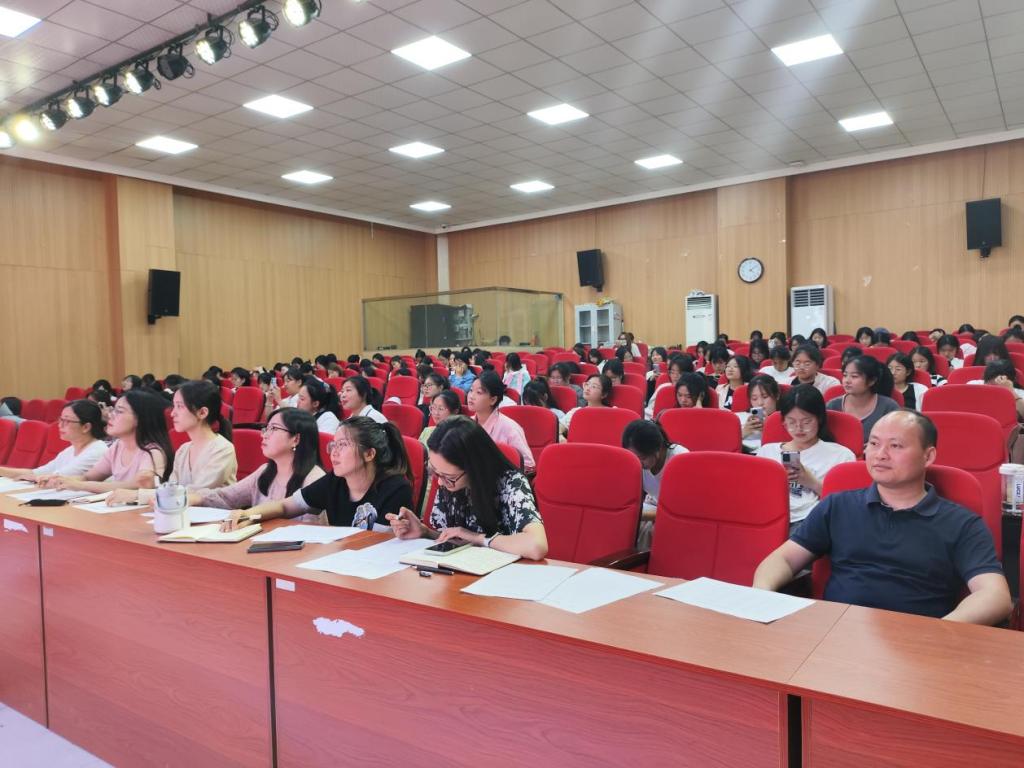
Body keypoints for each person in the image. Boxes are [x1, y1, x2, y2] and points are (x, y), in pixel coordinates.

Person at [753, 411, 1012, 625]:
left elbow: (994, 595)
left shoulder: (961, 523)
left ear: (928, 456)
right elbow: (783, 559)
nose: (880, 454)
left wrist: (941, 632)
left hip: (916, 645)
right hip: (836, 636)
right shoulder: (838, 506)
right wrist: (762, 598)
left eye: (895, 446)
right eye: (874, 444)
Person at [388, 416, 547, 560]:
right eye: (435, 472)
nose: (441, 483)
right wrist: (424, 532)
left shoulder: (511, 483)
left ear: (474, 468)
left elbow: (536, 546)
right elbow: (458, 538)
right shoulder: (448, 479)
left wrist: (477, 538)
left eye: (449, 477)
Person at [221, 417, 412, 530]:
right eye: (333, 445)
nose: (334, 452)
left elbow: (385, 543)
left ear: (369, 454)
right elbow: (285, 507)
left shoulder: (395, 489)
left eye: (343, 445)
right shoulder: (335, 481)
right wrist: (248, 515)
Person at [107, 380, 237, 505]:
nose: (173, 413)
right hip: (184, 513)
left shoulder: (222, 449)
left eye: (179, 406)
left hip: (216, 517)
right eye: (174, 406)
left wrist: (138, 495)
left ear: (202, 413)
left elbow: (195, 492)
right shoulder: (183, 450)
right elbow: (171, 489)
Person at [757, 385, 855, 531]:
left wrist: (811, 482)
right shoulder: (767, 452)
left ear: (819, 419)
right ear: (783, 421)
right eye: (791, 422)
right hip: (767, 517)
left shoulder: (841, 455)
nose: (799, 428)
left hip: (810, 521)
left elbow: (846, 506)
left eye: (806, 421)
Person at [195, 408, 325, 511]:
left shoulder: (315, 480)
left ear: (295, 439)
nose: (264, 435)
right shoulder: (265, 471)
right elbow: (226, 497)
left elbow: (311, 529)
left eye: (273, 428)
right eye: (266, 429)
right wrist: (192, 498)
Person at [51, 390, 173, 492]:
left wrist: (80, 485)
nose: (110, 415)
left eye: (119, 411)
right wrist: (60, 480)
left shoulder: (152, 451)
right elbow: (88, 477)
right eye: (114, 410)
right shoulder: (118, 446)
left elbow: (142, 483)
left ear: (140, 419)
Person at [621, 419, 688, 549]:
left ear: (658, 450)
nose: (637, 463)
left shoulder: (680, 460)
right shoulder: (635, 462)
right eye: (633, 458)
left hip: (678, 511)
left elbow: (685, 508)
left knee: (654, 532)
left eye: (642, 458)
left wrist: (644, 514)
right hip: (653, 504)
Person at [1, 400, 107, 480]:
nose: (60, 425)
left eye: (67, 421)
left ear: (86, 427)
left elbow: (56, 478)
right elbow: (37, 473)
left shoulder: (97, 451)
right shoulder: (70, 450)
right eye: (61, 419)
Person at [467, 372, 535, 473]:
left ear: (493, 400)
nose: (471, 396)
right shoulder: (467, 424)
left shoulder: (509, 428)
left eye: (479, 392)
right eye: (471, 390)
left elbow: (529, 466)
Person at [827, 356, 901, 443]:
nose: (847, 381)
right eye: (845, 375)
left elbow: (896, 439)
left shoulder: (889, 407)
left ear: (872, 381)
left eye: (854, 376)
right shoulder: (833, 406)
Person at [737, 374, 780, 451]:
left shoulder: (787, 420)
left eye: (765, 397)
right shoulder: (738, 418)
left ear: (777, 396)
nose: (760, 403)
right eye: (754, 398)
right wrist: (743, 433)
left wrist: (769, 428)